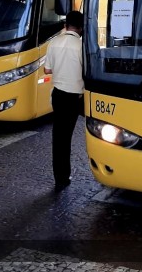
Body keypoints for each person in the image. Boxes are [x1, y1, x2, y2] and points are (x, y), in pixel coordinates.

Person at [43, 11, 85, 191]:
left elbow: (47, 70)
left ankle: (60, 177)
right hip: (74, 97)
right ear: (81, 27)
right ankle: (64, 175)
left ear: (66, 25)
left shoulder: (54, 42)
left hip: (58, 95)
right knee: (67, 136)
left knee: (59, 137)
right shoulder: (82, 46)